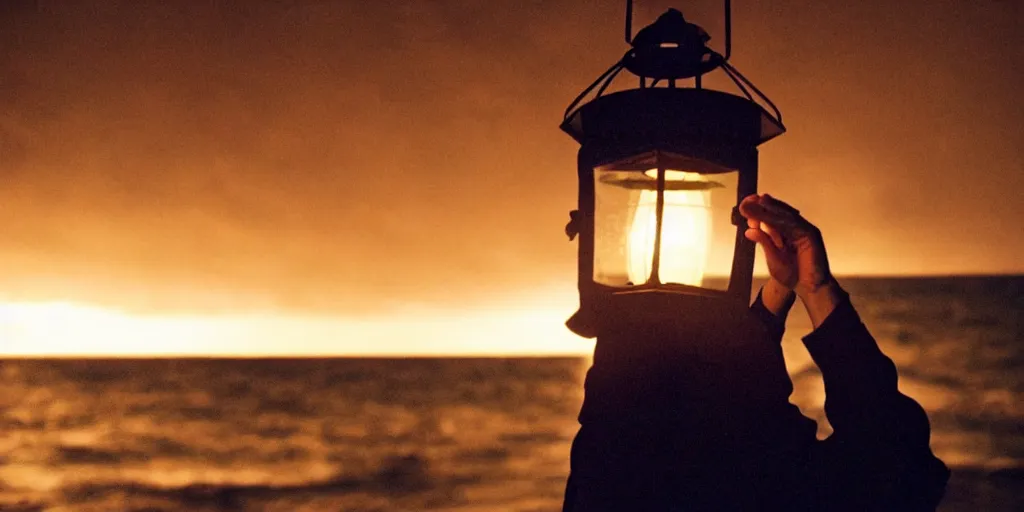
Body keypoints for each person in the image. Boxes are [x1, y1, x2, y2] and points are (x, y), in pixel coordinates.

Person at [562, 194, 949, 511]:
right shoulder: (774, 478)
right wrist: (812, 288)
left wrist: (775, 299)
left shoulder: (604, 467)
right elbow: (895, 454)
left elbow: (728, 374)